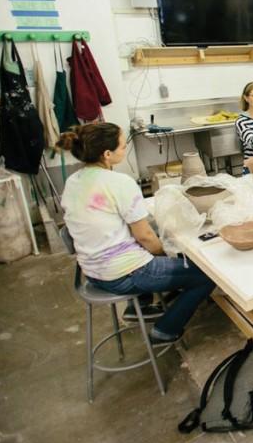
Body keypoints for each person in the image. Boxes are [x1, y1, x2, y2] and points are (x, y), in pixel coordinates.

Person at [58, 123, 215, 344]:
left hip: (92, 271)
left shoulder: (73, 181)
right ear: (107, 154)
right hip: (123, 274)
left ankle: (139, 305)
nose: (125, 150)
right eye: (123, 147)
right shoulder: (119, 183)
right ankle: (165, 330)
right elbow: (145, 237)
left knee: (146, 246)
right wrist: (170, 253)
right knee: (206, 275)